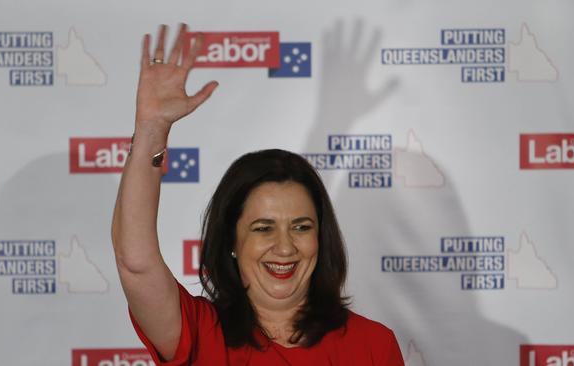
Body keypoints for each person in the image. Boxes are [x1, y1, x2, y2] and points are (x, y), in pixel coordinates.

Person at [111, 24, 405, 365]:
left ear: (321, 238)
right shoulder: (199, 332)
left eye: (301, 227)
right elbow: (136, 263)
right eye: (263, 228)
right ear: (232, 242)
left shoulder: (372, 344)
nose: (284, 247)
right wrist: (152, 128)